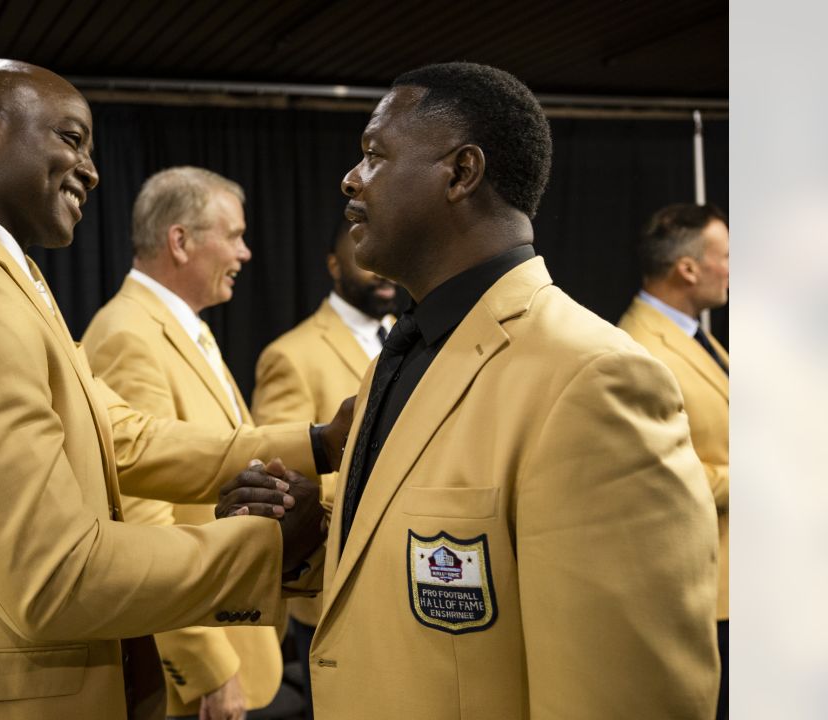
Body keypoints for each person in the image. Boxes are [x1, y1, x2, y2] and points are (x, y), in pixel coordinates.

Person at [218, 61, 720, 718]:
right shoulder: (402, 355)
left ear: (461, 173)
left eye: (374, 155)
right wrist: (318, 539)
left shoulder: (593, 377)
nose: (350, 177)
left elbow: (627, 698)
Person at [0, 60, 337, 720]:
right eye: (71, 138)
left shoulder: (4, 276)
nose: (91, 169)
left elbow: (125, 438)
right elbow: (52, 573)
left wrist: (320, 442)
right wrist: (271, 545)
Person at [82, 166, 280, 720]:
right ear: (180, 240)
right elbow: (142, 519)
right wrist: (206, 665)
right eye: (234, 235)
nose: (244, 253)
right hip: (194, 679)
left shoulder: (183, 326)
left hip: (234, 633)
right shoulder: (127, 335)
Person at [249, 219, 400, 716]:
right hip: (334, 591)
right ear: (334, 265)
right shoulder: (291, 356)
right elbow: (287, 486)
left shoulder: (410, 341)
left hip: (412, 588)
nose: (379, 272)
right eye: (361, 258)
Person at [617, 203, 730, 718]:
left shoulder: (698, 336)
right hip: (706, 599)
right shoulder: (638, 349)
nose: (732, 268)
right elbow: (659, 477)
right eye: (726, 255)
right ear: (688, 268)